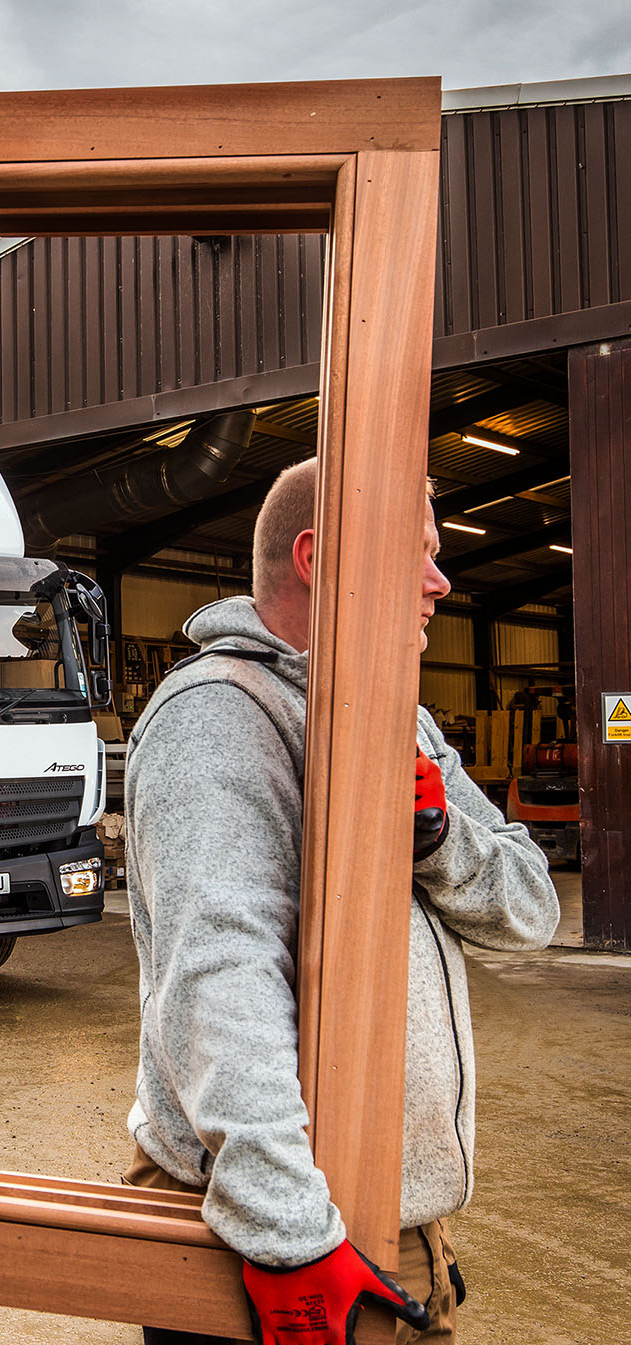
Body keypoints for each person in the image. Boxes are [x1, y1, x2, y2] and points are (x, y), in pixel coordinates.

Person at [122, 461, 559, 1345]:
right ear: (321, 559)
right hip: (273, 1244)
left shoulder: (403, 719)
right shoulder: (220, 716)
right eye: (421, 555)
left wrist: (440, 840)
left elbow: (533, 907)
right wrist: (291, 1239)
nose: (444, 581)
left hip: (389, 1233)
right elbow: (220, 978)